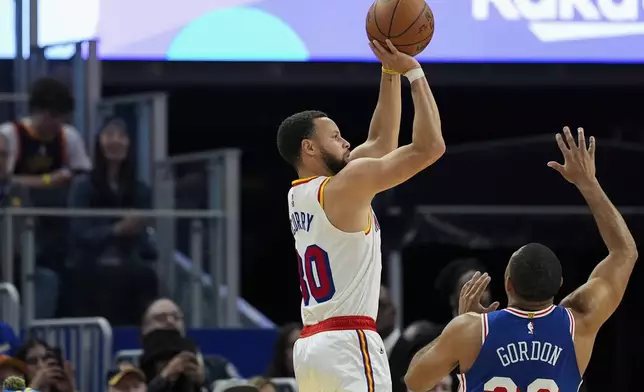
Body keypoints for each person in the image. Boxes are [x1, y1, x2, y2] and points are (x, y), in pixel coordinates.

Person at [404, 127, 638, 392]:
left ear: (508, 284)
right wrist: (588, 183)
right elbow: (625, 252)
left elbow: (414, 380)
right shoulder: (580, 324)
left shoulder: (471, 330)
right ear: (559, 284)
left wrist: (458, 324)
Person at [278, 39, 444, 392]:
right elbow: (431, 147)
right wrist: (414, 72)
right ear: (309, 147)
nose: (347, 143)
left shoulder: (301, 193)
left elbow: (382, 141)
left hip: (311, 347)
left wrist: (389, 70)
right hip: (348, 342)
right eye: (336, 137)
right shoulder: (345, 184)